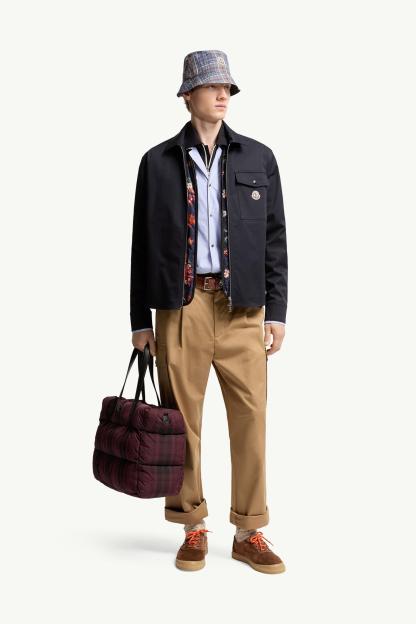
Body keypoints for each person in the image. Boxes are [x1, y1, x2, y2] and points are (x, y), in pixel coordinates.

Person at [130, 50, 288, 574]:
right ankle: (192, 525)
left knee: (252, 419)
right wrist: (140, 320)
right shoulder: (156, 162)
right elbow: (141, 244)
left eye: (228, 88)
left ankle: (249, 530)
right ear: (187, 95)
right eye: (212, 86)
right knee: (183, 422)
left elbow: (274, 239)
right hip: (181, 307)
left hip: (244, 308)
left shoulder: (258, 157)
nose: (223, 95)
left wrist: (277, 311)